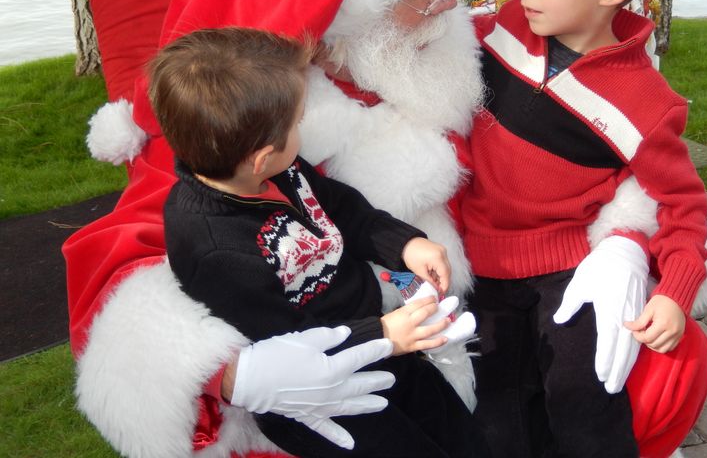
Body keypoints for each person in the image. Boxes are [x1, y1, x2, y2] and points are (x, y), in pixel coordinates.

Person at [65, 0, 707, 456]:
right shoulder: (266, 128)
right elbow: (134, 276)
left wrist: (627, 243)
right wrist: (236, 371)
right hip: (383, 342)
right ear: (345, 18)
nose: (447, 0)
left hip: (485, 297)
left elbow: (636, 159)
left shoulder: (472, 53)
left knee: (583, 396)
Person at [461, 0, 707, 458]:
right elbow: (426, 48)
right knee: (494, 417)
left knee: (586, 403)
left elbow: (684, 206)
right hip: (479, 265)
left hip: (568, 271)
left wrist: (674, 291)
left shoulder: (648, 105)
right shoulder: (502, 31)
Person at [150, 27, 488, 457]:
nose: (302, 126)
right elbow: (284, 345)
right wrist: (383, 334)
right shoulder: (215, 249)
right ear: (260, 155)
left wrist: (403, 244)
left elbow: (340, 207)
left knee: (459, 434)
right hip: (321, 395)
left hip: (378, 343)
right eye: (296, 122)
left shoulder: (280, 170)